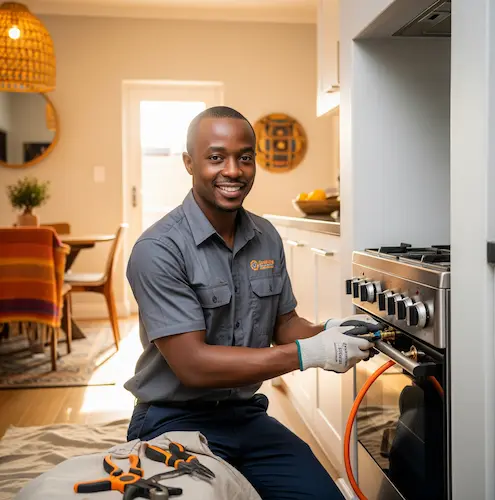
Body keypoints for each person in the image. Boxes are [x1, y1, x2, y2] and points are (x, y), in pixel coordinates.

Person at [125, 106, 378, 500]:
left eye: (245, 157)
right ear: (189, 163)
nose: (233, 170)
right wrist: (309, 353)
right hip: (172, 420)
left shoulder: (265, 236)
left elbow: (284, 323)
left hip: (246, 417)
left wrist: (328, 333)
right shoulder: (158, 249)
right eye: (215, 157)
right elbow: (193, 365)